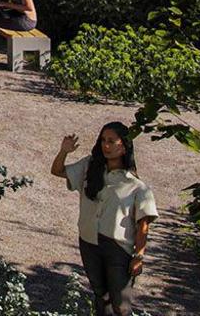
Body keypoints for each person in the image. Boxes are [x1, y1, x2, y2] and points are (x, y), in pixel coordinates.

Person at [53, 122, 158, 316]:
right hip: (89, 241)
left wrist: (139, 256)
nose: (105, 145)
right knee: (101, 297)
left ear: (124, 146)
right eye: (103, 140)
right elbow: (58, 171)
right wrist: (63, 151)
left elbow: (143, 224)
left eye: (111, 141)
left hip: (118, 248)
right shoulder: (89, 166)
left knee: (120, 305)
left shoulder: (137, 186)